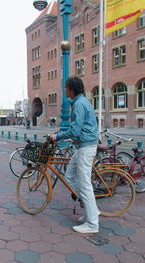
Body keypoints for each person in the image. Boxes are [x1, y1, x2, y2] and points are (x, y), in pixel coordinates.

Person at [50, 77, 99, 234]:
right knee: (70, 176)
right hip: (82, 146)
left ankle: (92, 224)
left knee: (85, 184)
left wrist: (58, 137)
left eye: (66, 87)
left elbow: (75, 131)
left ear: (72, 89)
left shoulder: (78, 104)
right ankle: (92, 210)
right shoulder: (80, 102)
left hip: (85, 147)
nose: (65, 90)